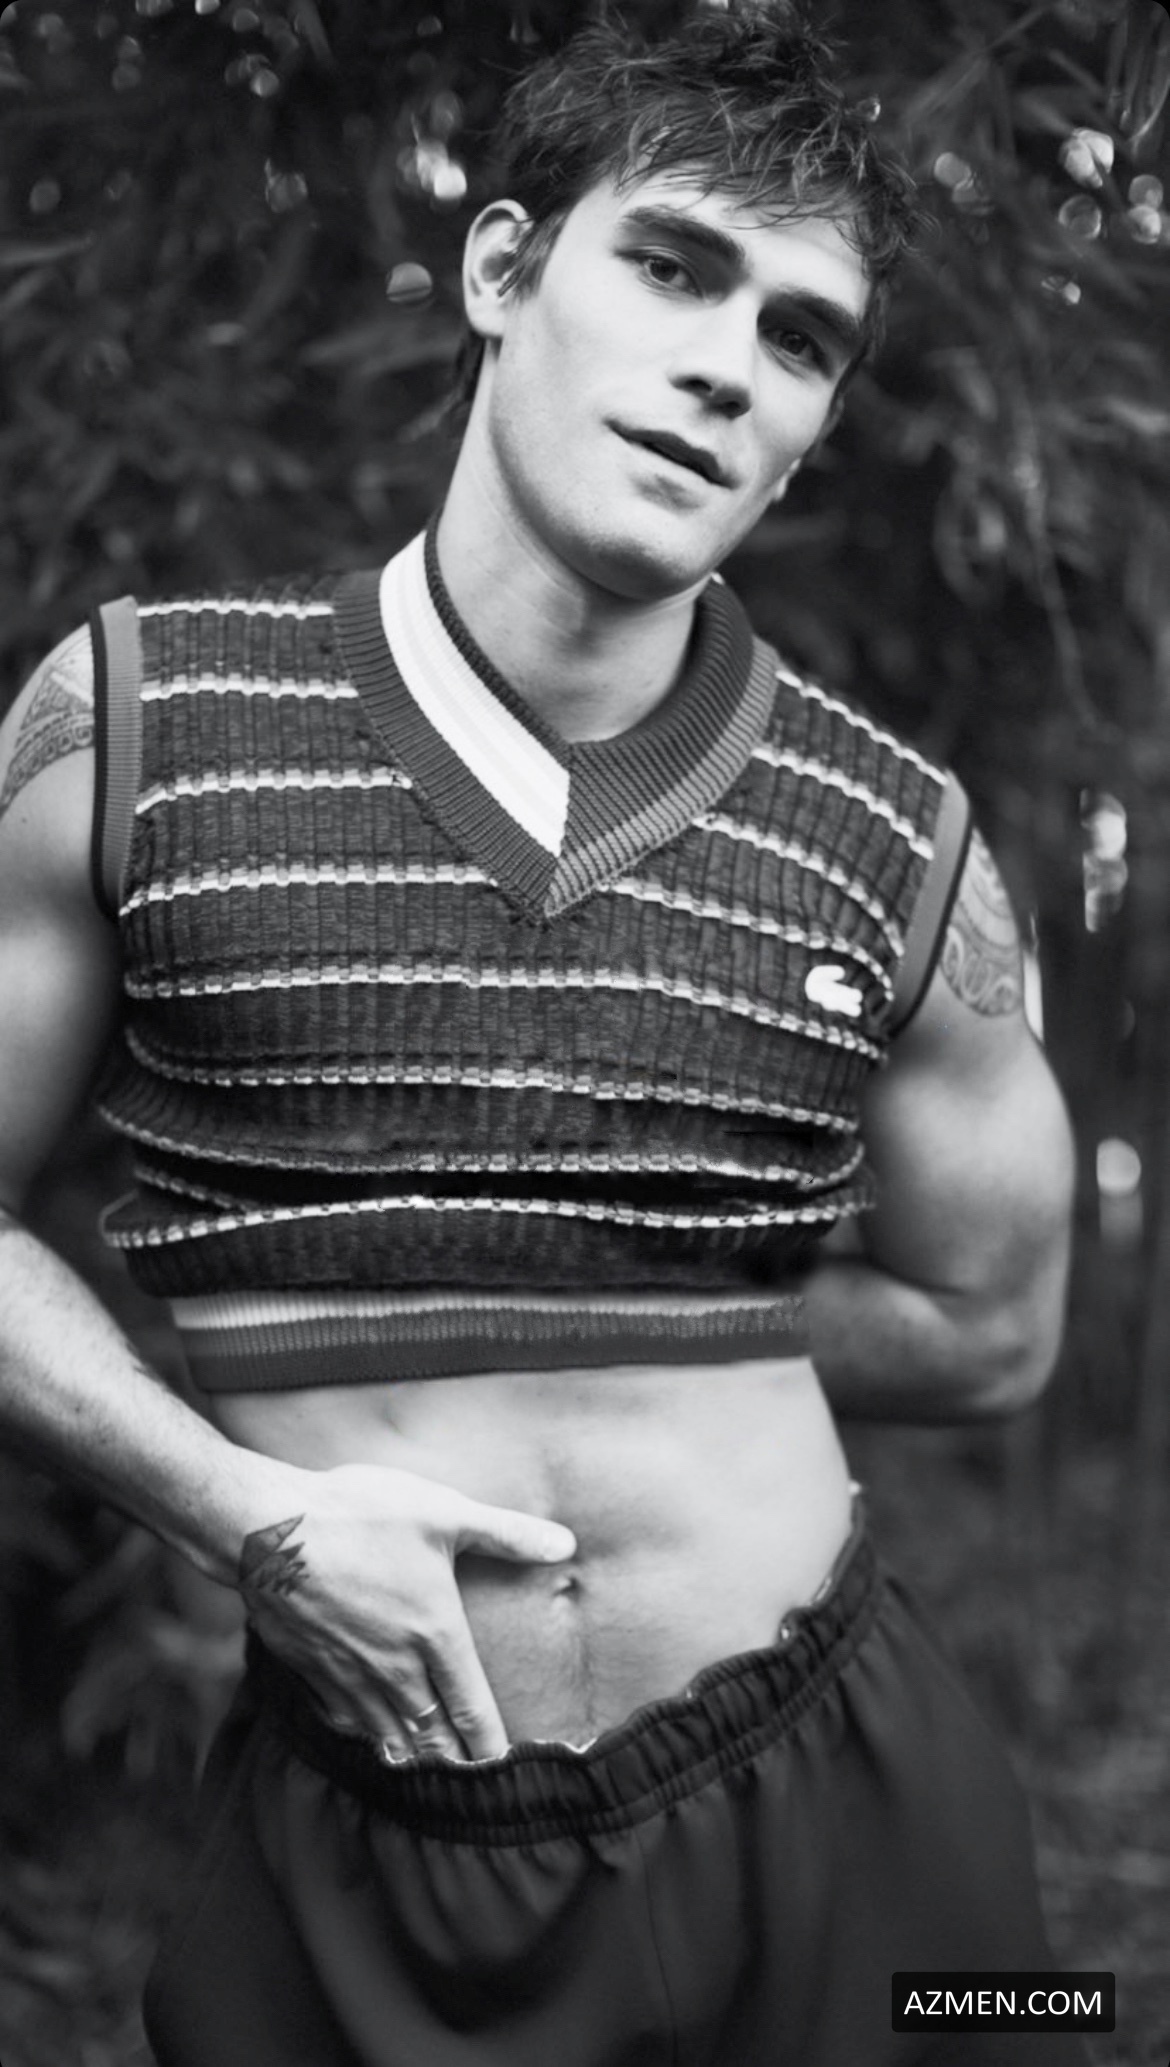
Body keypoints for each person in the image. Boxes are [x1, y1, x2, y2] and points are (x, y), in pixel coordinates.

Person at [0, 6, 1084, 2063]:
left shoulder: (902, 844)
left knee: (1026, 2021)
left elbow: (991, 1333)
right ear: (501, 270)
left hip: (865, 1835)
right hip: (356, 1860)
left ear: (809, 430)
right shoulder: (135, 724)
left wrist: (606, 1287)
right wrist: (235, 1505)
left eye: (798, 339)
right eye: (672, 265)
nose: (726, 364)